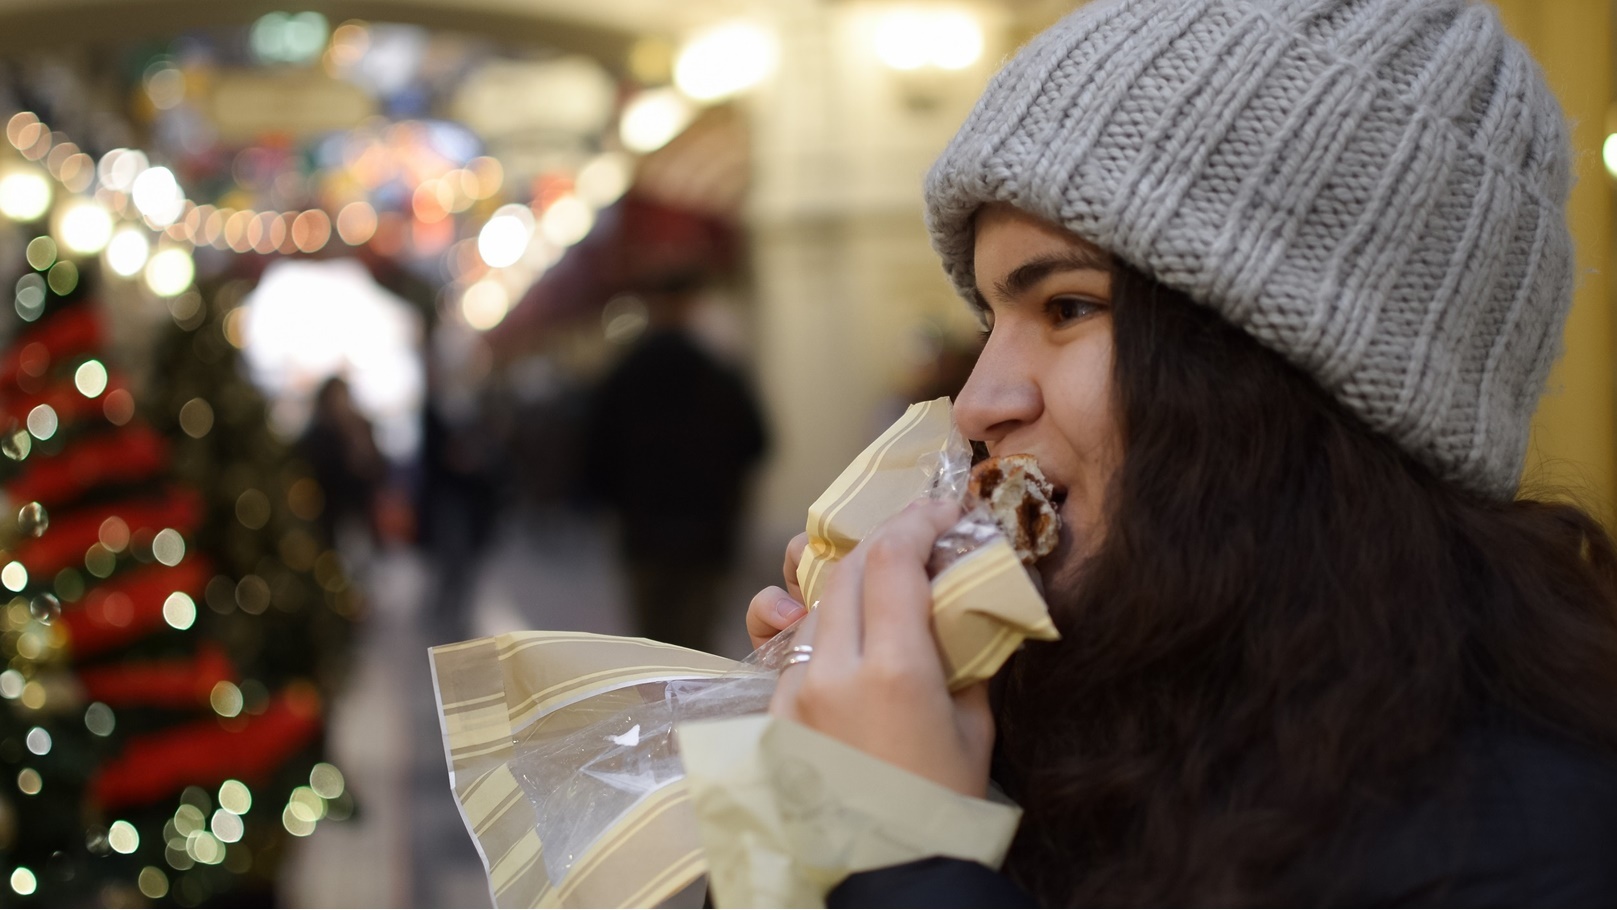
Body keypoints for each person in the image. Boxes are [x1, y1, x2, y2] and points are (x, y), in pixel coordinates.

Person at [745, 0, 1617, 904]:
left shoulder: (1525, 841)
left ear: (1289, 370)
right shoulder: (1083, 710)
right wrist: (836, 762)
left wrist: (893, 849)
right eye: (989, 319)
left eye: (1068, 307)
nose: (976, 404)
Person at [586, 272, 769, 652]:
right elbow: (756, 442)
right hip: (706, 533)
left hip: (644, 534)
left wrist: (624, 505)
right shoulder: (718, 371)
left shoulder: (624, 373)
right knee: (697, 643)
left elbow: (594, 456)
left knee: (652, 643)